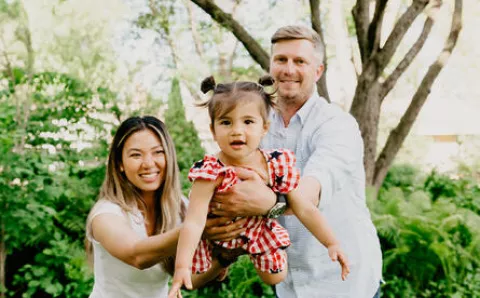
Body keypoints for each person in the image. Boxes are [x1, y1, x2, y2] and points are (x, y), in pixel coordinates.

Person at [206, 25, 383, 298]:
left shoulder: (337, 125)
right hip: (288, 285)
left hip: (344, 282)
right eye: (281, 60)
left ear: (318, 71)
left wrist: (268, 204)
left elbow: (309, 193)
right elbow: (233, 192)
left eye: (300, 61)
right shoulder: (256, 127)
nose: (288, 69)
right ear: (271, 66)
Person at [168, 76, 349, 298]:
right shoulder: (209, 172)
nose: (236, 130)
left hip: (258, 231)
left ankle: (250, 252)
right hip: (219, 236)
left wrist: (331, 242)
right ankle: (224, 259)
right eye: (226, 122)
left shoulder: (274, 163)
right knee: (193, 281)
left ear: (264, 128)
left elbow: (304, 207)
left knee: (275, 276)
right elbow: (194, 221)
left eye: (247, 122)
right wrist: (181, 267)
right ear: (213, 131)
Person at [85, 116, 234, 298]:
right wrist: (196, 226)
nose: (148, 163)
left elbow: (190, 279)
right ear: (119, 164)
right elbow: (137, 256)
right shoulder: (106, 213)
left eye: (157, 152)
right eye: (136, 155)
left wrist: (227, 256)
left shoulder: (181, 208)